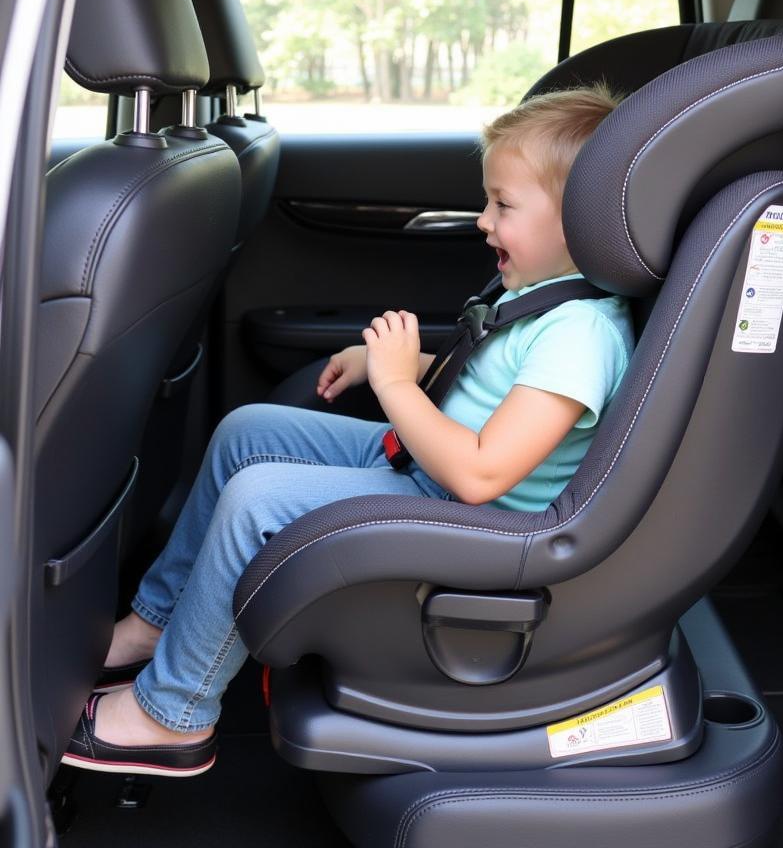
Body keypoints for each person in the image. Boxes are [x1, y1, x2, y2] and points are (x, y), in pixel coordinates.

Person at [61, 84, 635, 777]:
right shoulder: (544, 301)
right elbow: (489, 391)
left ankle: (173, 714)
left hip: (480, 522)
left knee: (260, 501)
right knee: (248, 432)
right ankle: (160, 622)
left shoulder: (584, 335)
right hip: (434, 469)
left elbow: (482, 473)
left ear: (584, 220)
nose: (484, 222)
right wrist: (389, 363)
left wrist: (396, 385)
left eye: (503, 206)